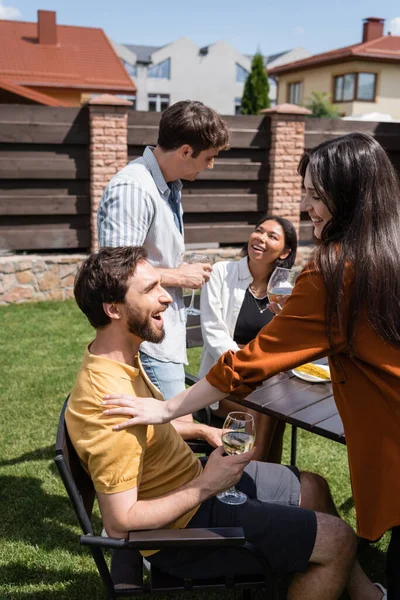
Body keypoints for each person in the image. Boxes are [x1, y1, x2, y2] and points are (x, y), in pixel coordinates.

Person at [106, 133, 398, 599]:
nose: (306, 206)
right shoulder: (388, 254)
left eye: (316, 195)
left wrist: (166, 410)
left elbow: (247, 363)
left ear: (351, 196)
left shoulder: (335, 269)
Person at [68, 246, 375, 599]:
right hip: (180, 533)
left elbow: (143, 430)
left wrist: (200, 429)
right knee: (338, 539)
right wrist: (207, 485)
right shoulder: (107, 402)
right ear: (113, 309)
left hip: (195, 483)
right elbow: (119, 522)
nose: (167, 297)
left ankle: (365, 592)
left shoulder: (117, 363)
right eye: (150, 289)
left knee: (314, 487)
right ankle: (338, 560)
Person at [97, 100, 230, 411]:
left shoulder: (168, 186)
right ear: (185, 151)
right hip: (145, 340)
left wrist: (174, 268)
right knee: (176, 434)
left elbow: (144, 258)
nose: (210, 166)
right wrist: (178, 275)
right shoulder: (133, 188)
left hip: (161, 333)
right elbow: (115, 273)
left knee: (166, 439)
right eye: (209, 158)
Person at [198, 215, 298, 462]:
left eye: (271, 236)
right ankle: (258, 472)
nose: (261, 238)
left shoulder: (283, 290)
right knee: (270, 410)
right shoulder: (222, 273)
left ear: (285, 253)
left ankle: (260, 474)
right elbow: (214, 333)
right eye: (258, 231)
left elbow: (285, 343)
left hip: (265, 382)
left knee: (275, 405)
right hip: (222, 381)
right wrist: (252, 364)